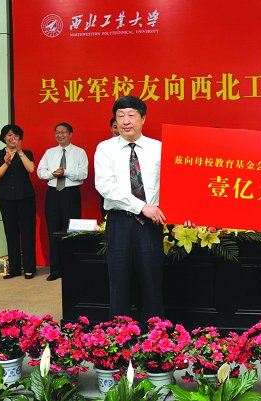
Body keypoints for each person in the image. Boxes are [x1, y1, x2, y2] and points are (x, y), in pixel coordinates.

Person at [95, 95, 166, 321]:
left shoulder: (159, 148)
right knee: (119, 282)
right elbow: (105, 186)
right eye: (120, 116)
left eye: (131, 115)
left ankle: (155, 333)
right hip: (120, 222)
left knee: (152, 281)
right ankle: (120, 333)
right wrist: (141, 206)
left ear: (143, 118)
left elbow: (171, 184)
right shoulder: (105, 149)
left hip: (151, 223)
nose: (126, 121)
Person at [37, 122, 88, 281]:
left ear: (70, 134)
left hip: (71, 194)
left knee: (72, 231)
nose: (60, 135)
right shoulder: (49, 152)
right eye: (57, 132)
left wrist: (65, 172)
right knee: (53, 231)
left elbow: (83, 174)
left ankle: (72, 268)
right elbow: (40, 172)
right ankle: (56, 269)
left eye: (63, 132)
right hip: (53, 194)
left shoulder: (80, 152)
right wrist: (53, 174)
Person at [0, 124, 37, 279]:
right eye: (9, 135)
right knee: (11, 233)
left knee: (28, 233)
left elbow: (31, 169)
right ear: (4, 138)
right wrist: (6, 163)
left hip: (26, 198)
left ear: (20, 138)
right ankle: (15, 268)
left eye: (16, 136)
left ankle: (29, 268)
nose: (12, 138)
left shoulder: (27, 153)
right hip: (6, 199)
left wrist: (20, 152)